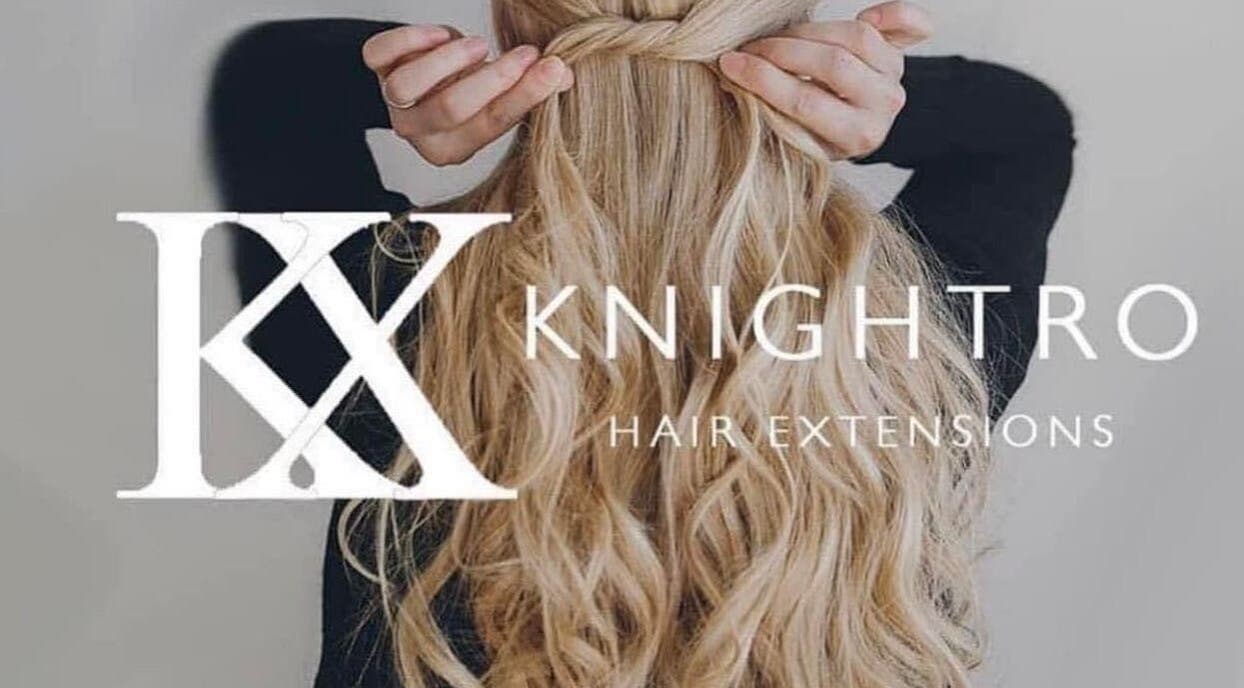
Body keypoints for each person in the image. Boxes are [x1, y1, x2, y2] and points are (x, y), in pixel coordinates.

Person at [209, 1, 1075, 685]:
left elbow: (265, 81)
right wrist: (886, 102)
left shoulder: (379, 323)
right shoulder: (914, 341)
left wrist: (424, 84)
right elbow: (1025, 129)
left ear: (509, 28)